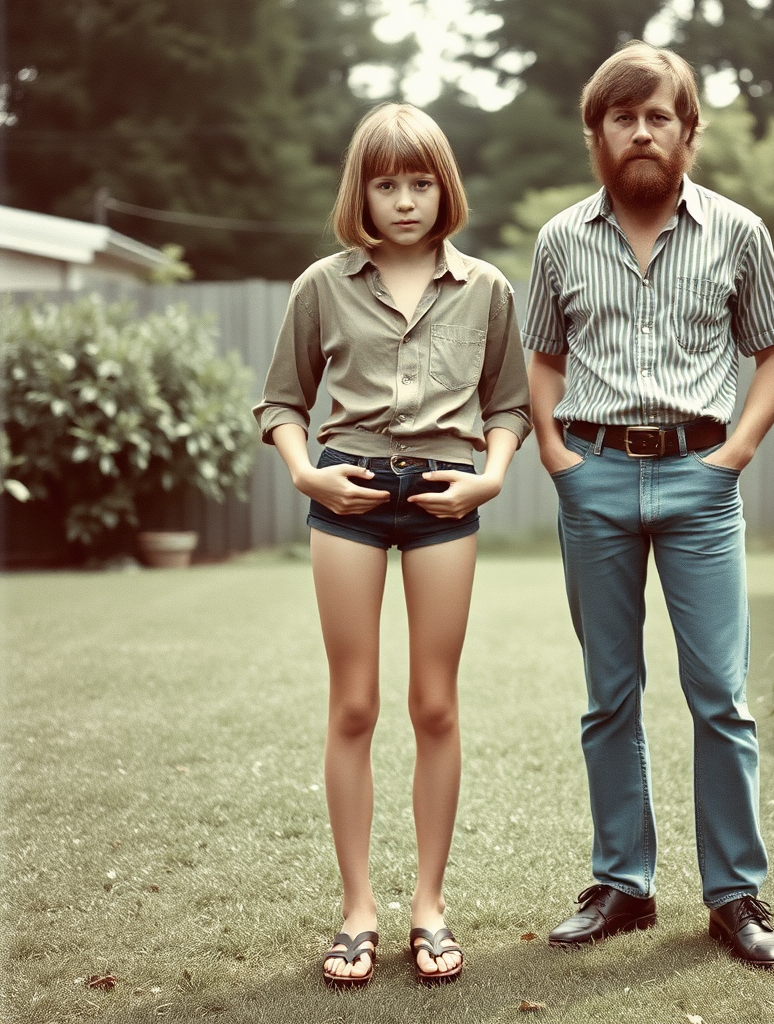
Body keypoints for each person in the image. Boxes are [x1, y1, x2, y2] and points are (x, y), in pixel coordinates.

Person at [522, 41, 774, 968]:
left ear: (688, 131)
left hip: (699, 482)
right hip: (592, 477)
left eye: (659, 116)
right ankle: (622, 885)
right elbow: (542, 357)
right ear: (597, 133)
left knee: (720, 696)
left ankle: (733, 896)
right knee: (611, 695)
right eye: (622, 117)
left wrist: (736, 452)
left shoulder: (738, 233)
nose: (641, 132)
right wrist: (559, 454)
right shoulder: (561, 240)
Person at [253, 102, 531, 988]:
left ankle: (428, 907)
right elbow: (281, 403)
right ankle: (358, 911)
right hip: (351, 490)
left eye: (420, 182)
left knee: (436, 706)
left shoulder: (487, 289)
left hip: (449, 496)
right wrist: (307, 475)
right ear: (361, 192)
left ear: (442, 187)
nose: (405, 200)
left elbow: (510, 407)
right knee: (354, 706)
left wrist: (490, 477)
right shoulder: (321, 286)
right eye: (386, 183)